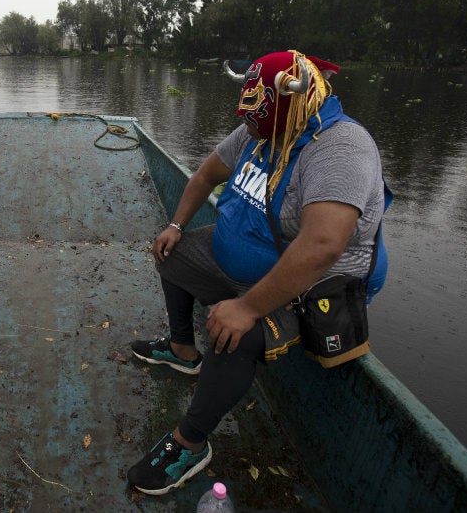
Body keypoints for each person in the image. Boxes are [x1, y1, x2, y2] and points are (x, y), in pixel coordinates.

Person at [126, 50, 391, 494]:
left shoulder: (341, 149)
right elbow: (205, 175)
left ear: (291, 105)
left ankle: (190, 443)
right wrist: (175, 225)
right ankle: (181, 350)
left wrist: (247, 307)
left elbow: (324, 245)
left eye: (255, 115)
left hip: (310, 285)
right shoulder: (260, 130)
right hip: (246, 256)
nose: (247, 123)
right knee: (171, 252)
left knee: (238, 333)